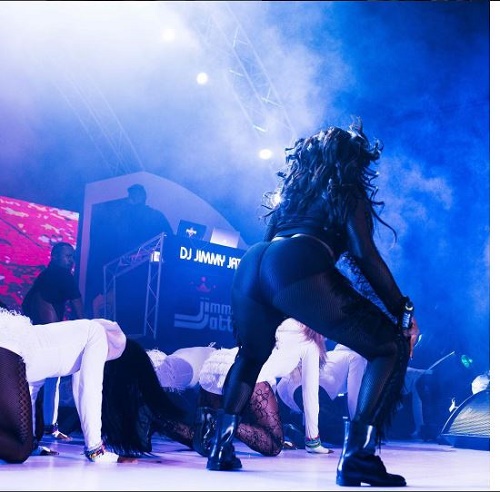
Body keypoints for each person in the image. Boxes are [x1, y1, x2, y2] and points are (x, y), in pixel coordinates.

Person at [205, 118, 420, 487]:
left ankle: (219, 448)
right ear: (350, 161)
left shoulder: (292, 198)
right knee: (389, 346)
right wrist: (403, 310)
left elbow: (275, 246)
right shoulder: (345, 192)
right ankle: (359, 458)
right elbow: (365, 255)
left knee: (250, 355)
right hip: (292, 263)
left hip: (254, 262)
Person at [0, 309, 126, 463]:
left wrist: (30, 442)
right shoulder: (97, 334)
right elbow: (89, 390)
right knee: (19, 451)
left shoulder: (63, 338)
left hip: (8, 350)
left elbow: (31, 388)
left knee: (21, 443)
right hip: (8, 351)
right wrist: (95, 449)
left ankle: (29, 445)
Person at [21, 241, 85, 441]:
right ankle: (45, 427)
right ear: (54, 257)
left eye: (72, 257)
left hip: (34, 332)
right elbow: (77, 305)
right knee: (49, 381)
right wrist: (86, 330)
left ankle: (39, 426)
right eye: (67, 256)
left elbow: (28, 303)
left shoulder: (44, 276)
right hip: (47, 334)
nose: (71, 260)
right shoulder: (64, 275)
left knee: (43, 381)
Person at [277, 342, 367, 426]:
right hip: (310, 390)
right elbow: (353, 397)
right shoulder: (356, 358)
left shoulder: (330, 354)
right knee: (332, 430)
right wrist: (355, 424)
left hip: (285, 387)